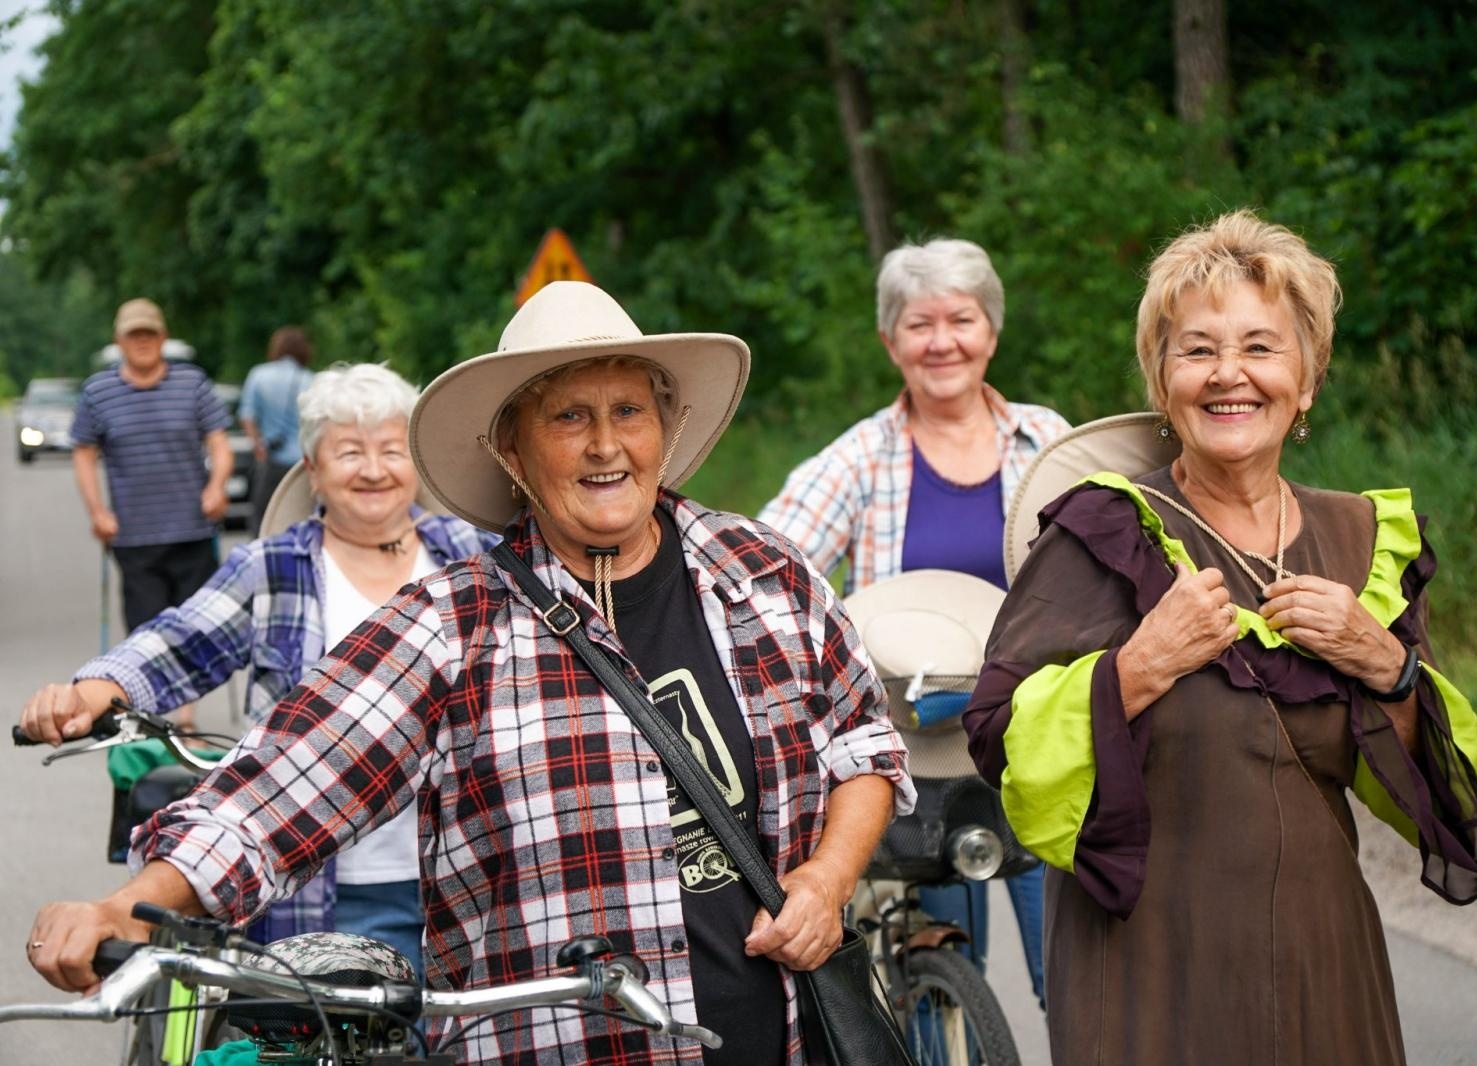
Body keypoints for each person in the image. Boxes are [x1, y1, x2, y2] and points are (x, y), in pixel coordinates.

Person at [26, 281, 915, 1065]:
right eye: (569, 417)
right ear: (512, 453)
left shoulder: (762, 569)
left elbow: (862, 745)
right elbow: (275, 792)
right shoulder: (452, 624)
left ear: (666, 428)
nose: (607, 446)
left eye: (628, 412)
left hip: (789, 1038)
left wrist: (828, 881)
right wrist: (130, 909)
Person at [963, 209, 1477, 1063]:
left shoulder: (1360, 539)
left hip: (1325, 966)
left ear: (1308, 380)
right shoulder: (1104, 533)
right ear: (1162, 379)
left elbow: (1438, 795)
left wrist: (1387, 662)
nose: (1229, 376)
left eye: (1260, 346)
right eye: (1198, 350)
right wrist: (1137, 667)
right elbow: (997, 738)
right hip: (1148, 973)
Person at [23, 363, 496, 975]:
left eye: (390, 450)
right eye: (350, 451)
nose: (374, 470)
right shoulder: (273, 565)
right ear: (313, 466)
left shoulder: (470, 553)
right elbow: (179, 641)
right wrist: (91, 693)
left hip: (464, 878)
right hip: (320, 886)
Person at [759, 237, 1065, 1004]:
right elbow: (767, 566)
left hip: (1044, 736)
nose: (941, 342)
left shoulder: (1047, 441)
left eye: (960, 320)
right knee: (940, 972)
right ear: (889, 341)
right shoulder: (863, 457)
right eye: (918, 324)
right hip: (923, 743)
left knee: (1073, 974)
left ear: (991, 330)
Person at [72, 297, 233, 731]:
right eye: (133, 335)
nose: (142, 342)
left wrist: (217, 486)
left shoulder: (192, 384)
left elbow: (218, 442)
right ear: (119, 341)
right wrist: (97, 511)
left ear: (163, 338)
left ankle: (186, 719)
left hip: (192, 528)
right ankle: (155, 719)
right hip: (133, 534)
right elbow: (85, 455)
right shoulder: (98, 392)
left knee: (196, 624)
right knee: (146, 629)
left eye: (150, 333)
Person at [239, 324, 316, 534]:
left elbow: (246, 415)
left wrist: (258, 446)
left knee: (263, 518)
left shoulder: (258, 375)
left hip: (271, 460)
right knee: (304, 517)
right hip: (303, 464)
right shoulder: (311, 379)